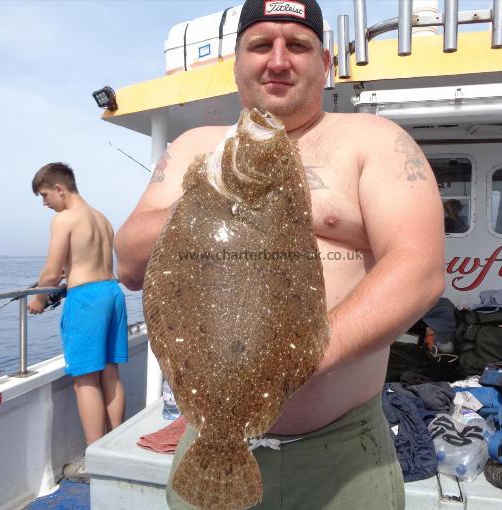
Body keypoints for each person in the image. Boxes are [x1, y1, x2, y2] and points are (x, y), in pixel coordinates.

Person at [115, 0, 445, 507]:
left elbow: (418, 270)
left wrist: (295, 359)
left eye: (297, 45)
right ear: (236, 62)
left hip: (342, 456)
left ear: (325, 64)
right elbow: (131, 262)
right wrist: (214, 200)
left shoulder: (374, 141)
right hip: (204, 438)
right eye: (260, 45)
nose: (277, 59)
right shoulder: (194, 148)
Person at [29, 162, 128, 481]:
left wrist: (39, 299)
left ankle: (95, 462)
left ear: (60, 189)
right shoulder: (102, 218)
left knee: (85, 379)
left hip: (86, 299)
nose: (44, 203)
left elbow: (51, 271)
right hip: (112, 292)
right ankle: (116, 449)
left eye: (44, 195)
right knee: (110, 372)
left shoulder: (65, 218)